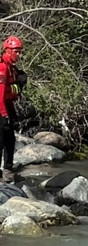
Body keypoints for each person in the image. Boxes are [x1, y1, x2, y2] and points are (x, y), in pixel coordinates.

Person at [0, 36, 24, 183]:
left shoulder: (12, 67)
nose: (19, 55)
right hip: (1, 106)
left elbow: (11, 90)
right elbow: (0, 93)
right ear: (8, 51)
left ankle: (8, 170)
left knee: (10, 139)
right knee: (0, 140)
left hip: (8, 104)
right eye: (17, 51)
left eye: (20, 52)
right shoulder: (2, 67)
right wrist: (4, 114)